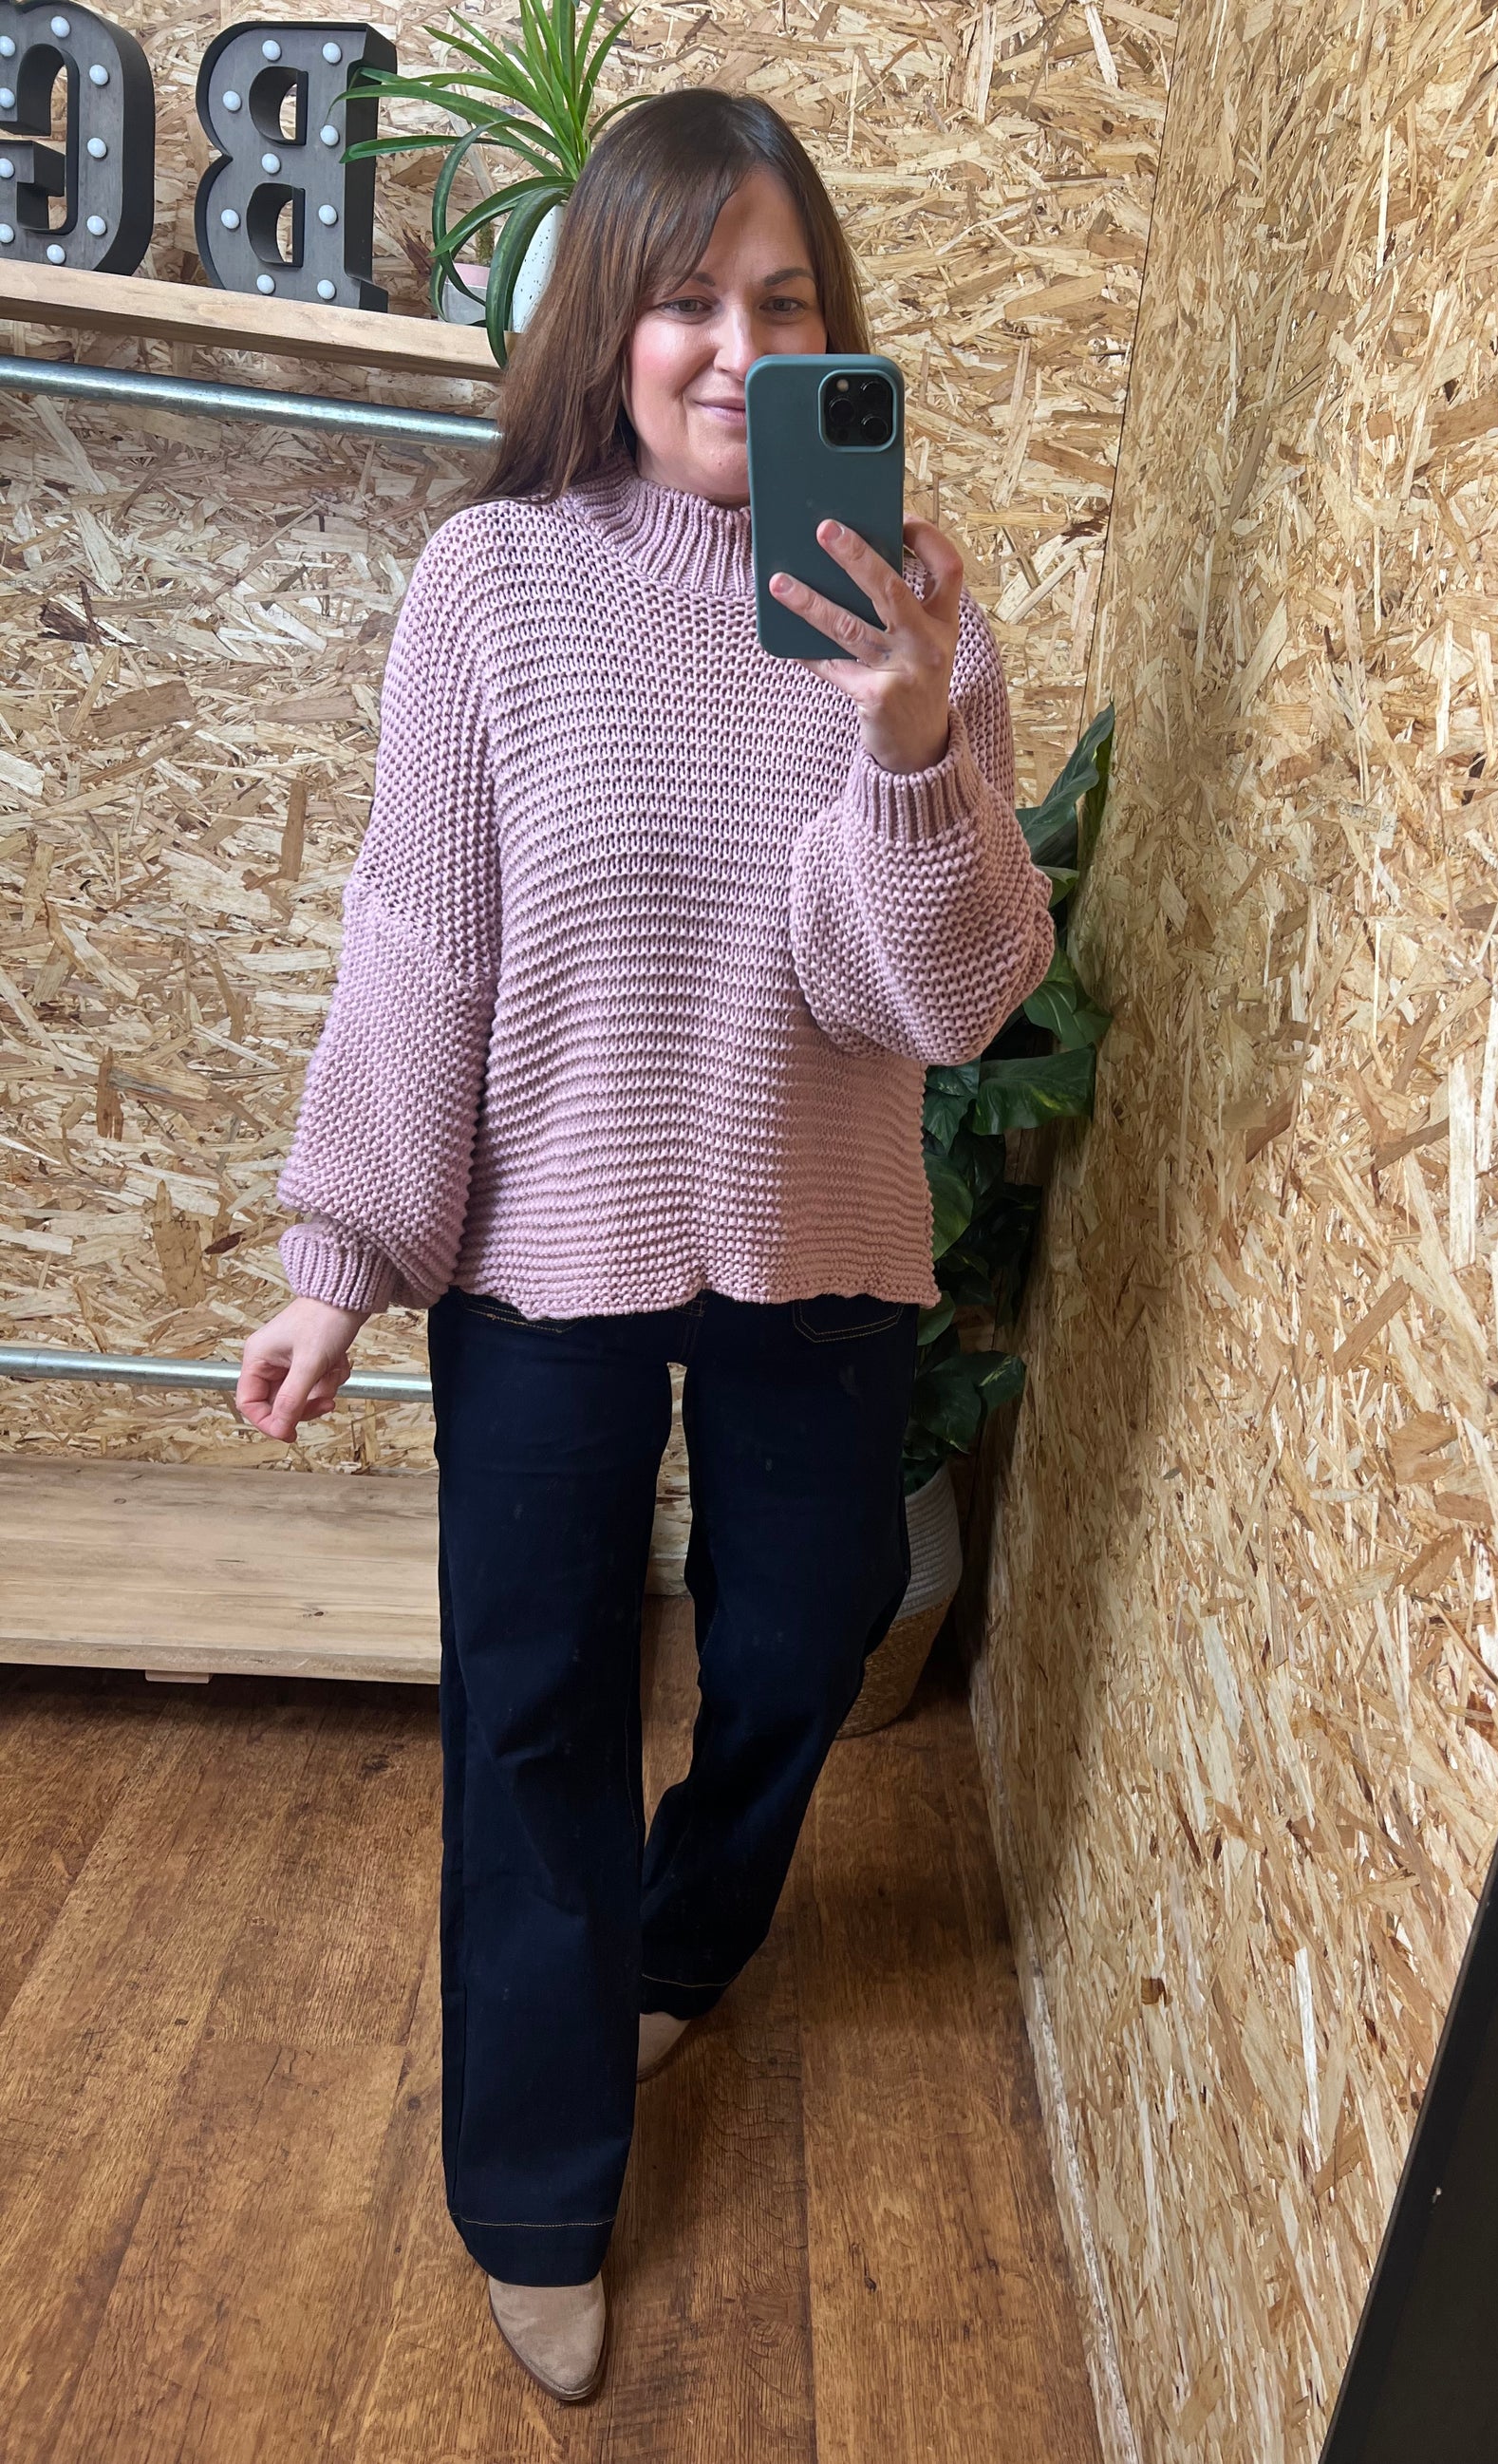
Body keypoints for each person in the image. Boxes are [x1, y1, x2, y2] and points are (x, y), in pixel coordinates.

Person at [234, 86, 1054, 2405]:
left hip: (819, 1224)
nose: (732, 346)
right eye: (687, 298)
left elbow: (939, 996)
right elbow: (425, 942)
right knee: (534, 1705)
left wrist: (906, 740)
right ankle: (533, 2185)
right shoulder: (494, 587)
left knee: (803, 1632)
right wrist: (336, 1253)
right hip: (541, 1241)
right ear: (607, 320)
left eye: (783, 303)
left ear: (835, 341)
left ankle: (682, 1944)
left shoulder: (908, 611)